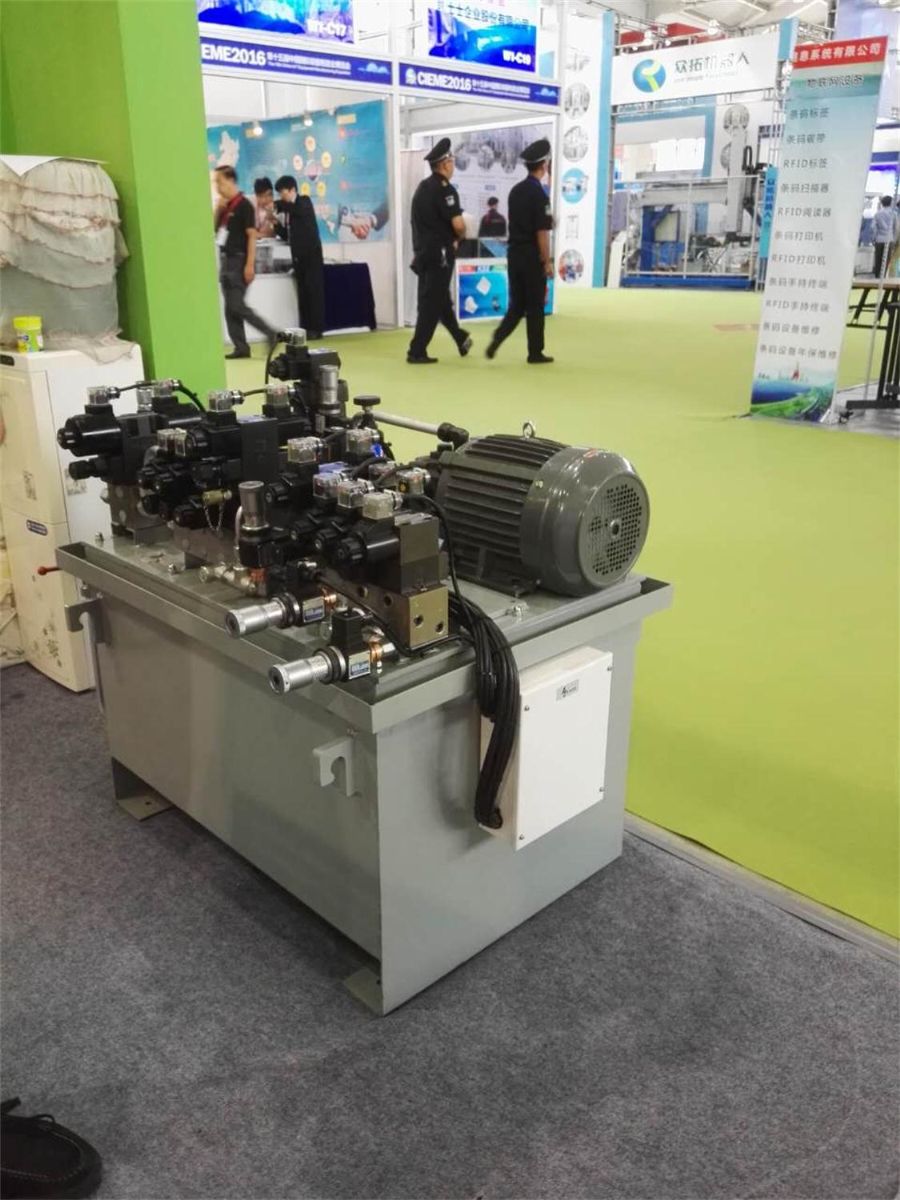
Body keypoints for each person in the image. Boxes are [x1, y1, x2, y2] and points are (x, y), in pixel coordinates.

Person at [486, 139, 554, 365]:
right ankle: (535, 352)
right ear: (543, 165)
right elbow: (541, 232)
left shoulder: (515, 191)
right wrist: (547, 261)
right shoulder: (540, 195)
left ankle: (497, 338)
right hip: (532, 256)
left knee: (517, 305)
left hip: (514, 254)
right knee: (535, 306)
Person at [407, 138, 472, 365]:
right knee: (431, 303)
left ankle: (460, 338)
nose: (453, 165)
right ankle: (416, 350)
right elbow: (458, 225)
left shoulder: (422, 188)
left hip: (424, 253)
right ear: (445, 164)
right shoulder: (446, 190)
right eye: (451, 161)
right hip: (440, 254)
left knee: (440, 298)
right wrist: (460, 237)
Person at [214, 166, 277, 360]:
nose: (217, 186)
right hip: (225, 259)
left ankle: (270, 332)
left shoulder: (244, 206)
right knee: (229, 308)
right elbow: (215, 230)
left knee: (236, 305)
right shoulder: (225, 207)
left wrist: (250, 265)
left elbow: (251, 236)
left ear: (231, 181)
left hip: (239, 260)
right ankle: (241, 347)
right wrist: (218, 209)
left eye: (220, 182)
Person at [274, 175, 325, 339]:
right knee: (303, 294)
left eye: (283, 193)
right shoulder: (289, 211)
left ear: (292, 190)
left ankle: (316, 329)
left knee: (313, 292)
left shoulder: (304, 202)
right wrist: (275, 224)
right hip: (298, 258)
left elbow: (296, 210)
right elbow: (287, 234)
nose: (281, 197)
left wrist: (277, 205)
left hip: (311, 256)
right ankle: (306, 328)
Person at [873, 195, 899, 278]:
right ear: (891, 203)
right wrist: (894, 239)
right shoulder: (894, 214)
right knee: (886, 260)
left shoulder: (877, 214)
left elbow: (873, 228)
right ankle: (883, 277)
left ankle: (877, 277)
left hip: (879, 239)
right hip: (889, 239)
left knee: (878, 260)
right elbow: (896, 228)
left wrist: (874, 238)